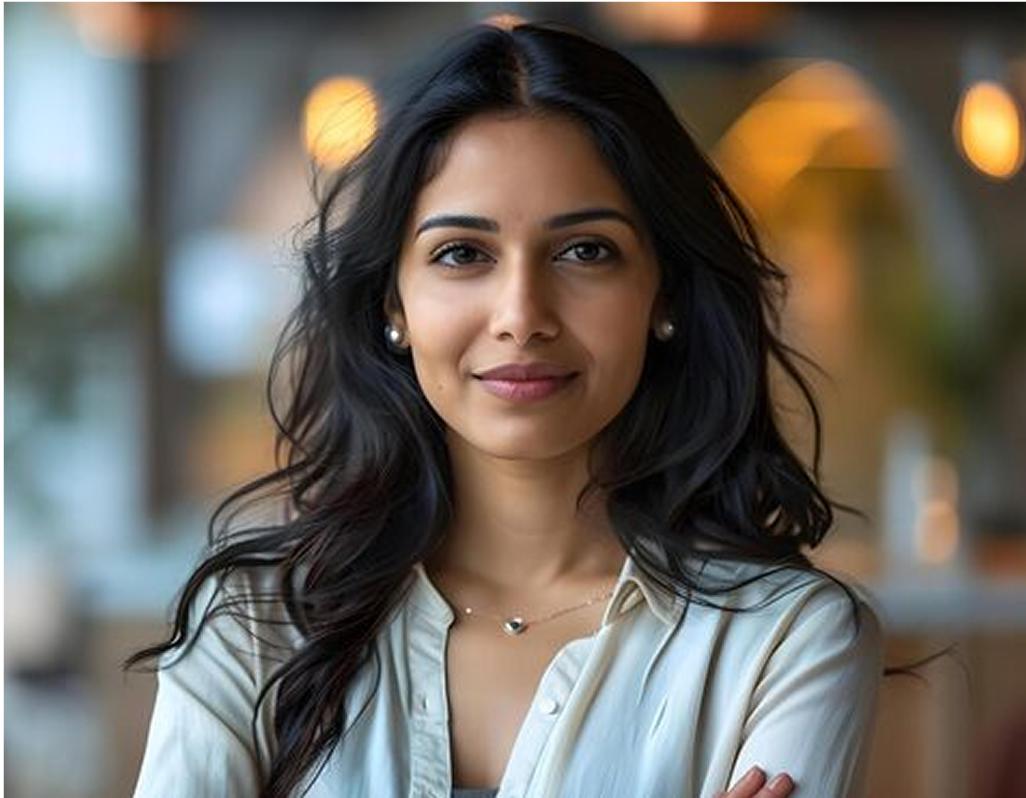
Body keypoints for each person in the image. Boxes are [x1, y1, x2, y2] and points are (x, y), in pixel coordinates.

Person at [126, 19, 890, 798]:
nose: (521, 314)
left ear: (663, 293)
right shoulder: (254, 625)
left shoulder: (787, 641)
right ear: (394, 301)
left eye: (585, 250)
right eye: (463, 253)